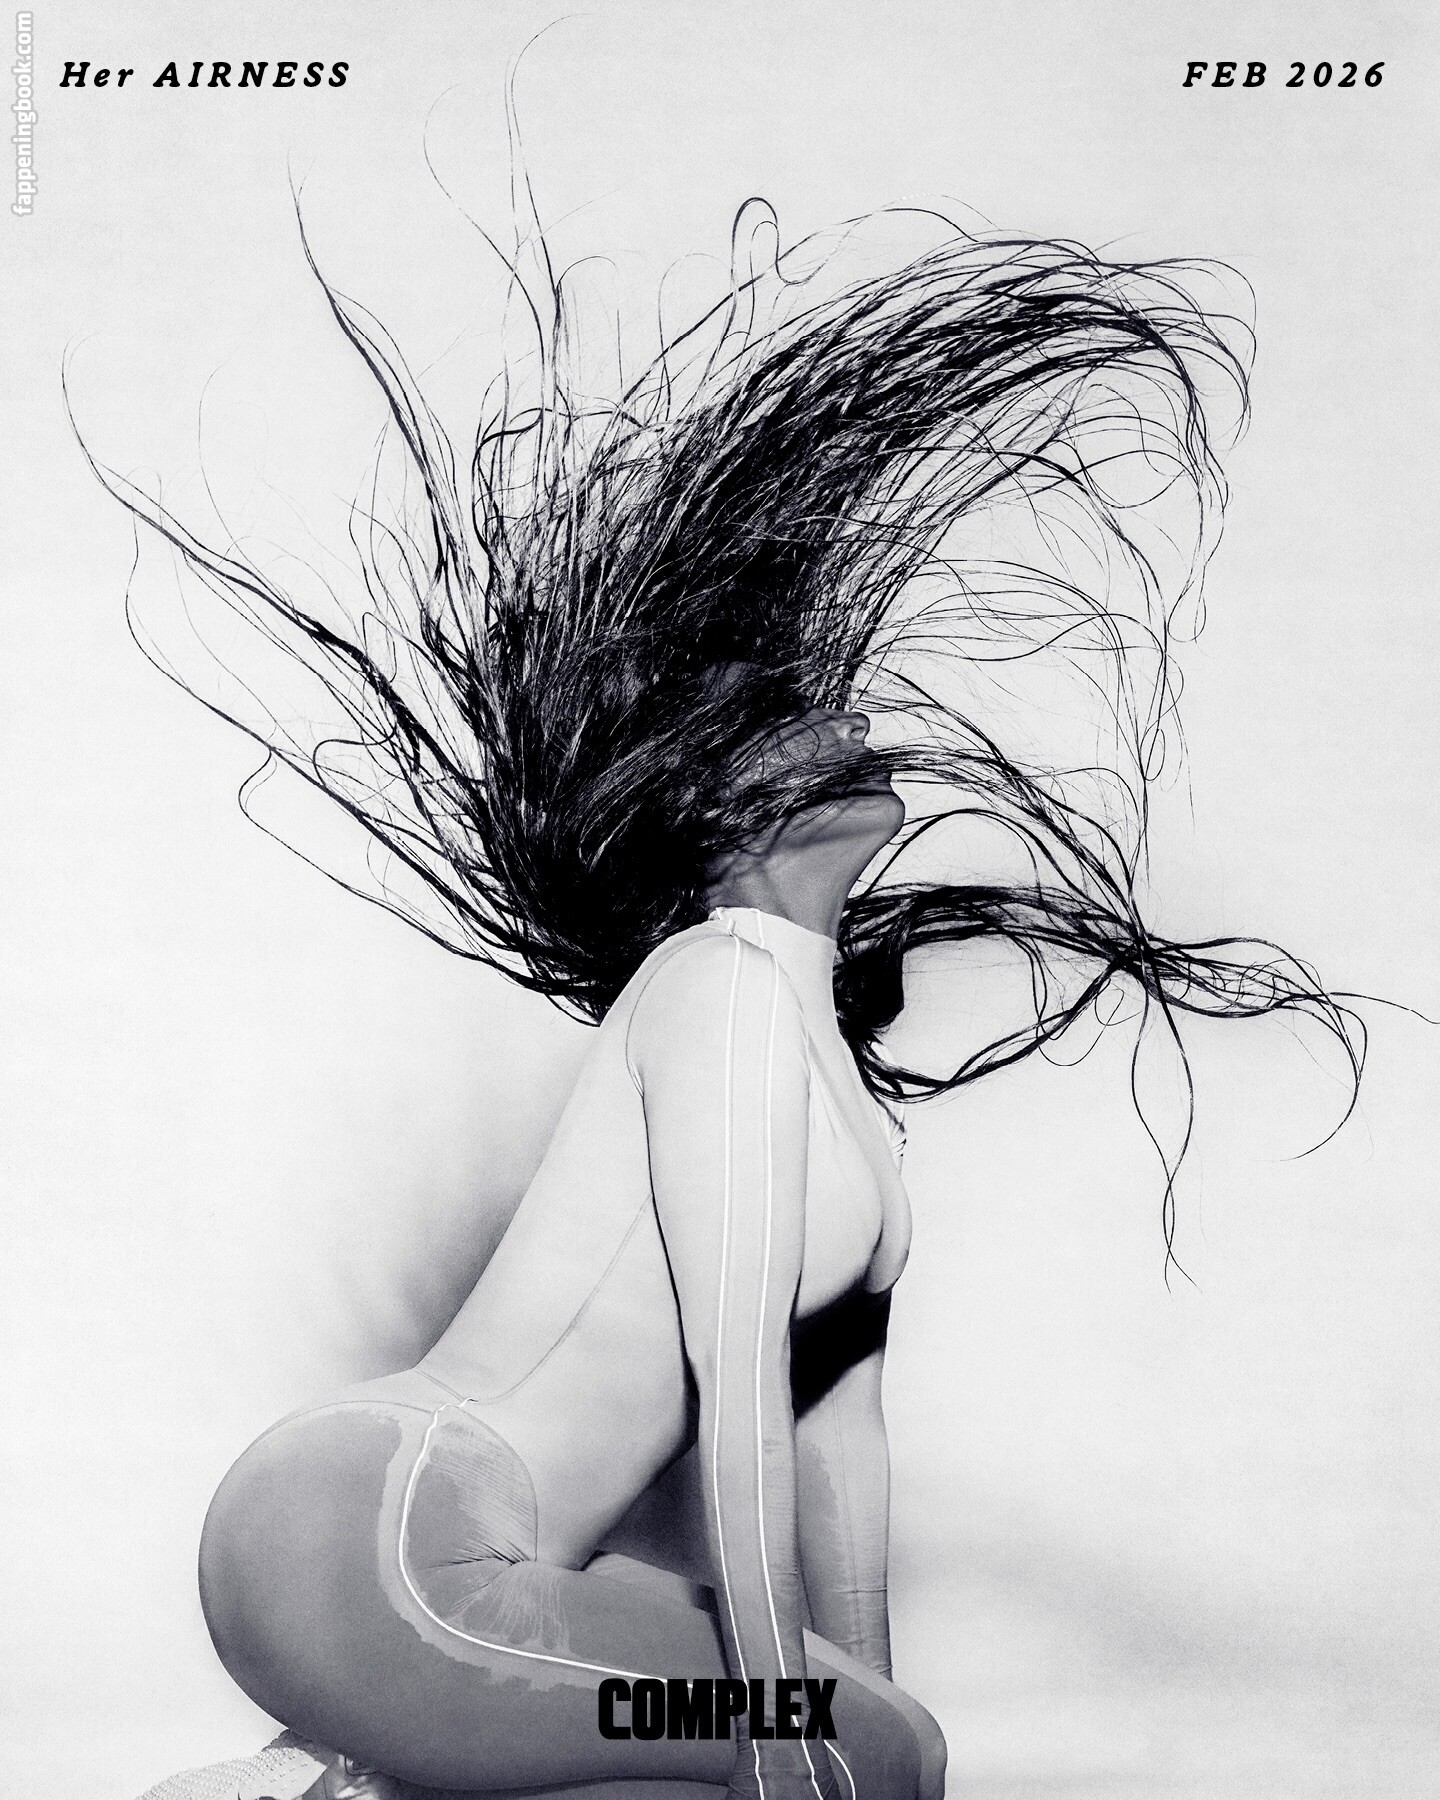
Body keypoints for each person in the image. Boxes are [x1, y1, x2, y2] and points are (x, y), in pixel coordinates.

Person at [100, 202, 1357, 1800]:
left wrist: (860, 1719)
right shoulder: (722, 990)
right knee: (843, 1749)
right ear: (713, 811)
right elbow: (738, 1402)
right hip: (381, 1540)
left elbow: (838, 1444)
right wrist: (787, 1730)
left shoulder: (822, 1070)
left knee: (886, 1746)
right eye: (784, 720)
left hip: (436, 1566)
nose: (844, 723)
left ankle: (317, 1786)